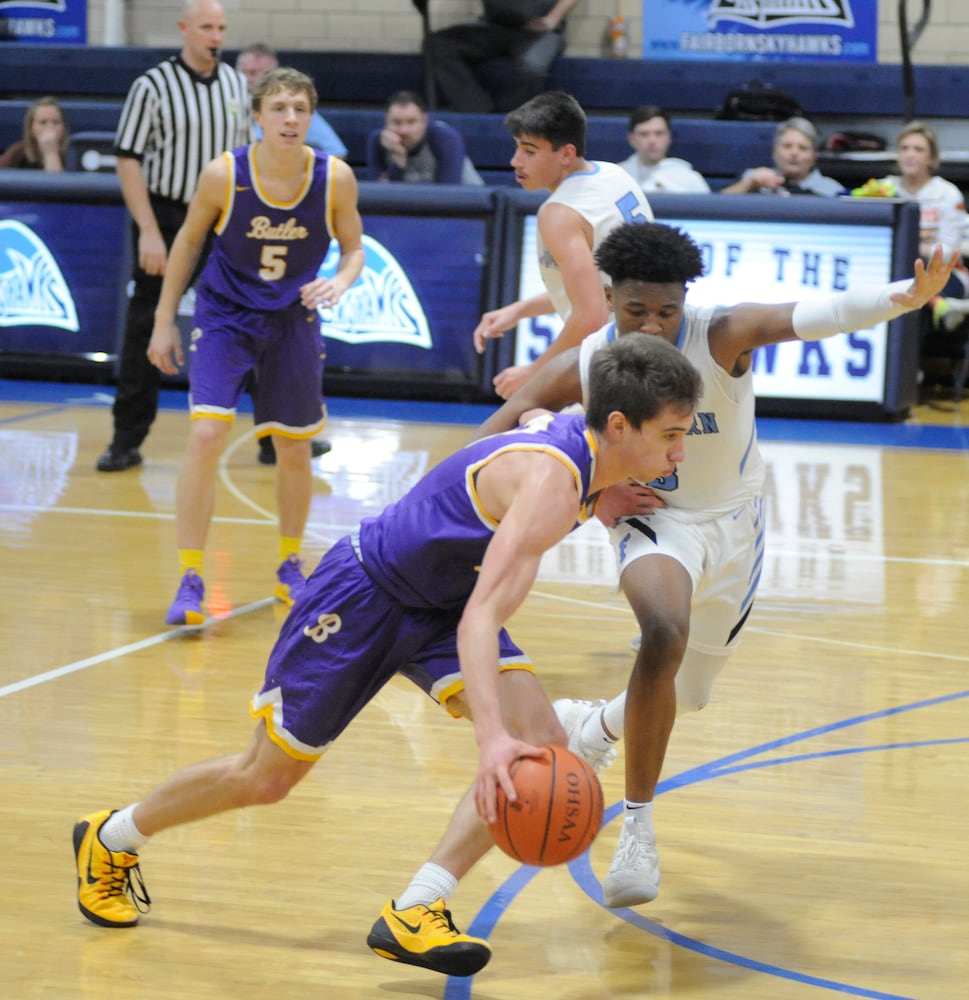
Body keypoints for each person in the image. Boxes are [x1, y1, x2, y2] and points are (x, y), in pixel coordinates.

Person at [72, 334, 703, 979]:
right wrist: (489, 741)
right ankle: (112, 837)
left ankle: (417, 908)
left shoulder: (583, 449)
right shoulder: (552, 483)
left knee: (541, 745)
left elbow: (534, 418)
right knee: (266, 778)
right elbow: (483, 618)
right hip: (365, 594)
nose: (680, 452)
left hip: (440, 600)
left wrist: (602, 497)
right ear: (620, 426)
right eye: (671, 435)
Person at [466, 221, 958, 909]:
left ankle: (597, 725)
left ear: (684, 301)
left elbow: (815, 317)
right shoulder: (590, 360)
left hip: (733, 523)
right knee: (661, 635)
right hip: (652, 518)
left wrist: (908, 295)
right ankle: (637, 826)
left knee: (689, 692)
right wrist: (585, 488)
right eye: (636, 310)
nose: (652, 325)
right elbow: (500, 428)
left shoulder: (718, 334)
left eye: (666, 310)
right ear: (608, 298)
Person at [145, 67, 364, 626]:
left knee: (293, 447)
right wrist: (163, 320)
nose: (291, 119)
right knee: (204, 433)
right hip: (225, 316)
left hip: (293, 319)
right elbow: (188, 243)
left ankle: (291, 563)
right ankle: (191, 576)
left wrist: (338, 282)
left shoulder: (334, 177)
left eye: (300, 109)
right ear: (258, 116)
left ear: (310, 118)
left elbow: (353, 250)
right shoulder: (225, 174)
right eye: (280, 108)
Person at [95, 0, 249, 473]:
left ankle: (275, 435)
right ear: (184, 29)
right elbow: (127, 158)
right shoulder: (152, 86)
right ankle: (126, 439)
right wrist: (147, 229)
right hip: (167, 216)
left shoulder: (236, 84)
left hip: (226, 216)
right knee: (147, 324)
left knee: (260, 318)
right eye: (206, 27)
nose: (215, 36)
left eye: (221, 27)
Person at [472, 90, 653, 399]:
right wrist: (519, 310)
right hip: (660, 343)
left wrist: (535, 371)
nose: (515, 161)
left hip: (622, 362)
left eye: (529, 151)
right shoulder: (613, 173)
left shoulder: (559, 213)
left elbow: (591, 315)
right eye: (517, 148)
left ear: (566, 154)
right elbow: (599, 286)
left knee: (526, 420)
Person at [235, 41, 344, 467]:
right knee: (233, 342)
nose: (254, 79)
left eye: (262, 72)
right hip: (237, 243)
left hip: (285, 248)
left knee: (285, 344)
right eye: (248, 73)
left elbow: (337, 158)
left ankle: (281, 434)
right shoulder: (229, 124)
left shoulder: (294, 118)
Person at [852, 121, 969, 331]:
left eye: (918, 149)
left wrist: (906, 248)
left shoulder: (947, 193)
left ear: (931, 158)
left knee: (912, 291)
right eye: (904, 148)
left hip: (942, 272)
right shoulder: (882, 188)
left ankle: (908, 362)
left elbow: (947, 252)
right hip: (889, 268)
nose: (910, 155)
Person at [424, 0, 579, 114]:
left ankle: (508, 118)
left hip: (540, 30)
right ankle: (477, 110)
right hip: (494, 26)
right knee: (437, 45)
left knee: (532, 67)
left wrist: (553, 18)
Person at [236, 43, 347, 159]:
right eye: (251, 73)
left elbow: (337, 153)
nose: (259, 80)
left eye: (266, 74)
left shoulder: (297, 109)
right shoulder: (226, 105)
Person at [365, 90, 482, 185]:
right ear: (386, 122)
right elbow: (381, 193)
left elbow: (448, 193)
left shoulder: (445, 138)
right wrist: (398, 162)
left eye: (411, 122)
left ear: (425, 121)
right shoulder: (378, 141)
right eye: (396, 122)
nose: (404, 130)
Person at [720, 116, 843, 197]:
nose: (794, 153)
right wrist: (748, 185)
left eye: (803, 148)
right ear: (774, 151)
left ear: (814, 156)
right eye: (787, 146)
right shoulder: (752, 177)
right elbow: (717, 206)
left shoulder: (831, 191)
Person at [616, 106, 710, 194]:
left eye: (659, 133)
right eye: (644, 134)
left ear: (669, 137)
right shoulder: (616, 176)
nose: (652, 141)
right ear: (631, 139)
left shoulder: (689, 178)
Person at [0, 96, 70, 171]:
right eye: (43, 122)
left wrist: (51, 153)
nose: (50, 127)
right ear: (31, 128)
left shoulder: (73, 154)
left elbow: (58, 182)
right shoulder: (17, 153)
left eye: (56, 122)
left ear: (64, 127)